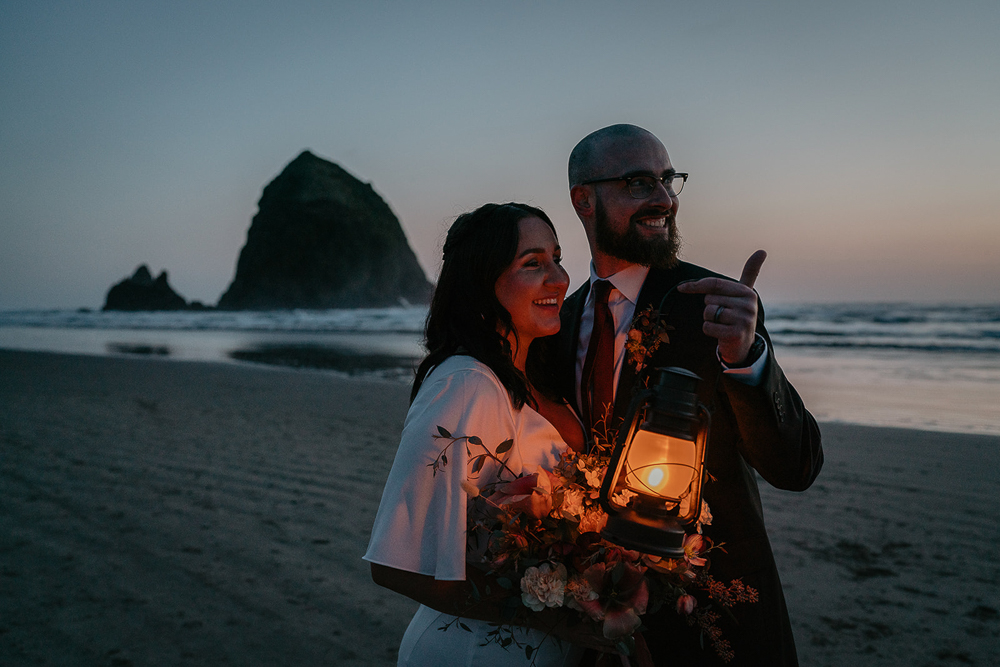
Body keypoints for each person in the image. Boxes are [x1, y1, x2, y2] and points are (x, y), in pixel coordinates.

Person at [552, 124, 824, 665]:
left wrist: (745, 359)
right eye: (637, 182)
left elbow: (796, 467)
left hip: (716, 616)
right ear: (584, 200)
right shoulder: (556, 321)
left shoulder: (717, 308)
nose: (663, 198)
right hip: (592, 616)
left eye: (668, 179)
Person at [364, 203, 591, 666]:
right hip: (473, 652)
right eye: (533, 264)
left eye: (557, 258)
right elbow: (394, 564)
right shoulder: (467, 383)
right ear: (482, 282)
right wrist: (560, 618)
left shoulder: (538, 379)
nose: (560, 278)